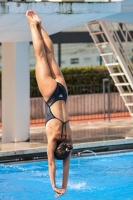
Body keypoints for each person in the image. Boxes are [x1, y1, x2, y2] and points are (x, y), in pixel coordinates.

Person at [26, 10, 73, 198]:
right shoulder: (53, 139)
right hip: (51, 95)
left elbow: (66, 165)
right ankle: (32, 24)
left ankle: (40, 24)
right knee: (40, 57)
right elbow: (52, 164)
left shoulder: (69, 138)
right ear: (55, 150)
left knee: (51, 55)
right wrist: (54, 186)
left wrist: (64, 186)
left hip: (62, 92)